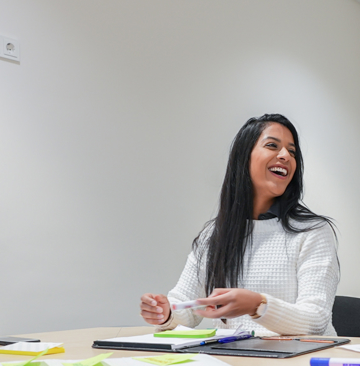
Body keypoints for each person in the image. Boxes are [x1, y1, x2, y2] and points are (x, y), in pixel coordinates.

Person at [140, 114, 339, 336]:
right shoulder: (213, 234)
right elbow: (187, 307)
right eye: (272, 145)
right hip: (237, 360)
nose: (285, 156)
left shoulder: (313, 232)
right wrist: (166, 312)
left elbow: (315, 321)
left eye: (292, 152)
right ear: (244, 158)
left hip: (303, 362)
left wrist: (257, 305)